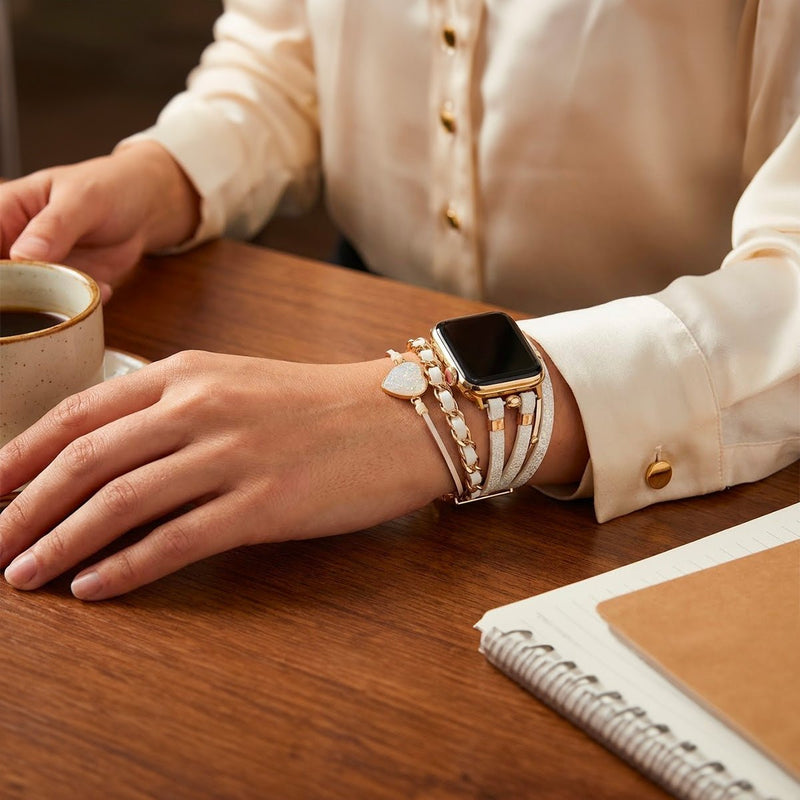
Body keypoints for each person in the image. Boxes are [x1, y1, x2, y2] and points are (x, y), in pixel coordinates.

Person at [0, 1, 798, 601]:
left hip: (698, 428)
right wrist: (167, 171)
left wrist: (430, 415)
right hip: (351, 315)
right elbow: (283, 60)